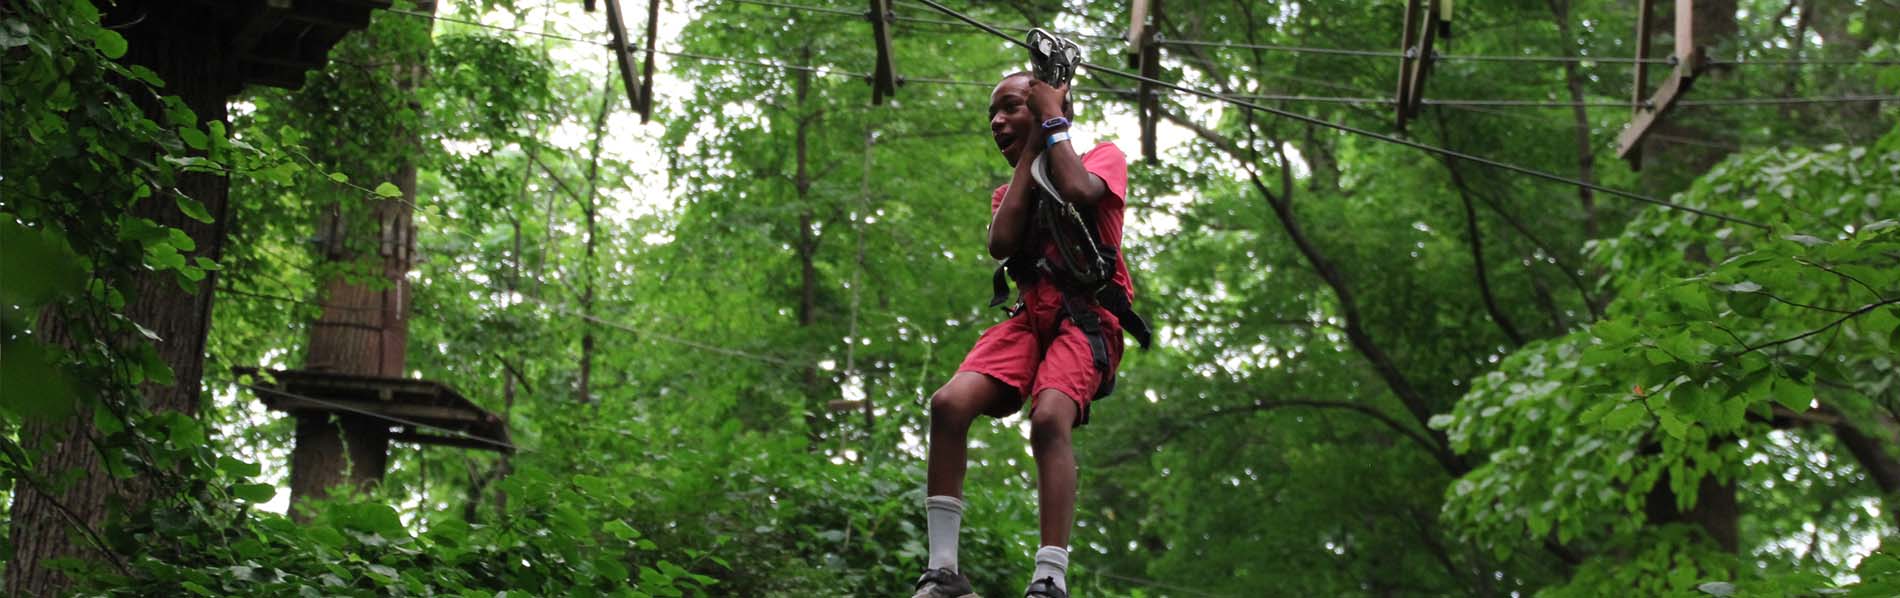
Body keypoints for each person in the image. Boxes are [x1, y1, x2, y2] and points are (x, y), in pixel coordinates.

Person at [913, 70, 1138, 598]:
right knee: (948, 404)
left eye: (1012, 107)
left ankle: (1049, 577)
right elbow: (1002, 243)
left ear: (1044, 109)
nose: (996, 121)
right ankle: (943, 570)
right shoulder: (1006, 194)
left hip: (1085, 320)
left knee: (1049, 418)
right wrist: (1033, 146)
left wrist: (1054, 122)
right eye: (993, 113)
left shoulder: (1103, 158)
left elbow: (1082, 191)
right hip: (1030, 320)